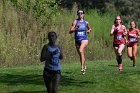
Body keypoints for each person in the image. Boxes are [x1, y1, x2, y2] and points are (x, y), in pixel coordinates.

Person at [69, 9, 92, 74]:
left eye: (81, 13)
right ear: (77, 14)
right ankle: (84, 66)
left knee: (81, 50)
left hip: (84, 39)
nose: (80, 14)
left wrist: (89, 31)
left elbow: (90, 29)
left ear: (83, 14)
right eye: (79, 13)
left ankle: (82, 67)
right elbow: (70, 31)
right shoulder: (75, 22)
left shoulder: (86, 22)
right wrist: (76, 28)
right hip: (77, 40)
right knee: (81, 54)